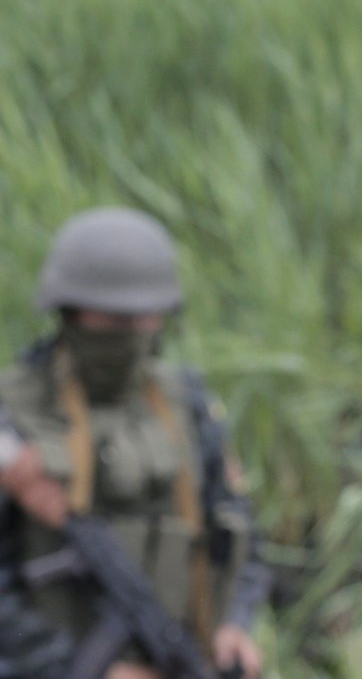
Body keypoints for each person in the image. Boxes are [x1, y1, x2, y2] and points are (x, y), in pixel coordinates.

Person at [0, 207, 269, 679]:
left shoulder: (189, 403)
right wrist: (79, 669)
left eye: (146, 316)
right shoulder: (13, 417)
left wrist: (234, 623)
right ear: (70, 309)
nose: (133, 331)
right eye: (113, 317)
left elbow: (236, 530)